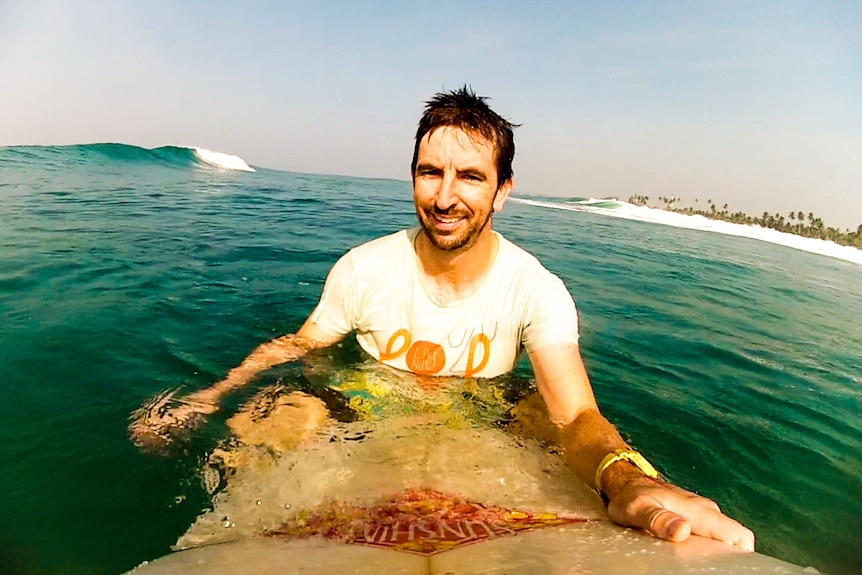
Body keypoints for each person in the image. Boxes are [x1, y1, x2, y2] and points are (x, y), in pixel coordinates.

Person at [133, 86, 754, 551]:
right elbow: (300, 343)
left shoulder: (536, 291)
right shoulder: (363, 268)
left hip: (486, 420)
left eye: (470, 177)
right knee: (280, 409)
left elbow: (576, 414)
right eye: (432, 172)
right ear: (413, 177)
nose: (446, 196)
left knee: (541, 412)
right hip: (362, 406)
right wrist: (206, 398)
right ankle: (239, 544)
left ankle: (640, 496)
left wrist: (622, 479)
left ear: (502, 190)